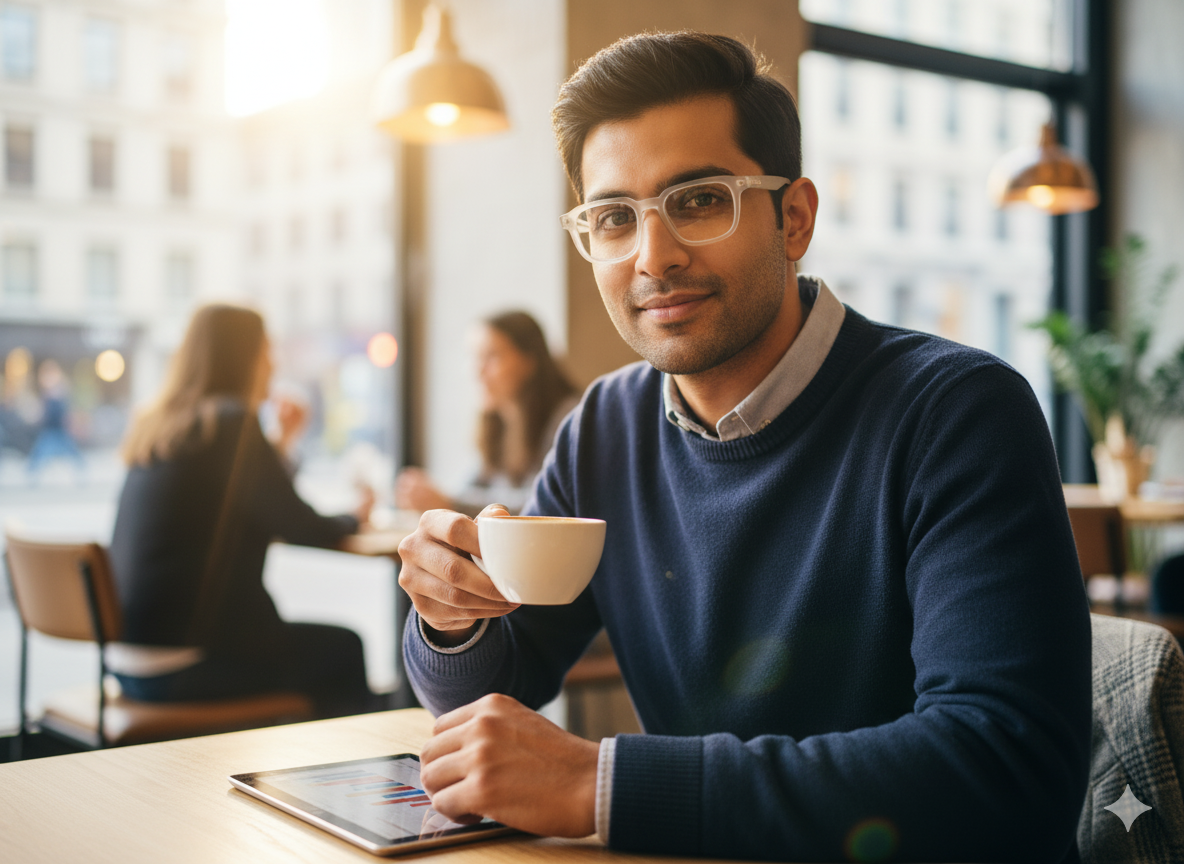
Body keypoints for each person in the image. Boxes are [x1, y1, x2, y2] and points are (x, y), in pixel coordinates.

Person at [396, 33, 1092, 862]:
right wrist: (450, 622)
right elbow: (495, 693)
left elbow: (1006, 768)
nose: (652, 256)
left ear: (792, 217)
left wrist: (600, 785)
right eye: (614, 218)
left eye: (698, 201)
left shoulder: (956, 412)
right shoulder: (604, 428)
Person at [108, 304, 374, 717]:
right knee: (343, 649)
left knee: (323, 648)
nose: (274, 363)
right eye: (267, 351)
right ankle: (343, 775)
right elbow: (302, 525)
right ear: (245, 357)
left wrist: (280, 443)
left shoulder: (164, 423)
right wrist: (356, 516)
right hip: (192, 662)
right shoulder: (233, 424)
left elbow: (238, 501)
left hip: (127, 662)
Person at [396, 311, 579, 516]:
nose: (477, 371)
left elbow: (541, 503)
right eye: (475, 357)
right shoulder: (498, 422)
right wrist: (434, 497)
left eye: (491, 357)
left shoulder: (569, 418)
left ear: (529, 361)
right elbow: (468, 488)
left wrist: (450, 503)